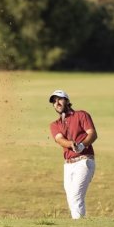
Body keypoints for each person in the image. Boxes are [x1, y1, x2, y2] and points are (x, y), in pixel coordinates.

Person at [49, 89, 97, 219]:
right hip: (68, 165)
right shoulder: (55, 124)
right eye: (54, 101)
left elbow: (92, 134)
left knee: (76, 195)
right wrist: (71, 144)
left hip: (84, 161)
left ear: (67, 101)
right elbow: (59, 139)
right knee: (71, 196)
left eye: (59, 99)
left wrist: (82, 145)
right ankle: (78, 222)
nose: (56, 103)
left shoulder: (81, 115)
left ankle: (79, 223)